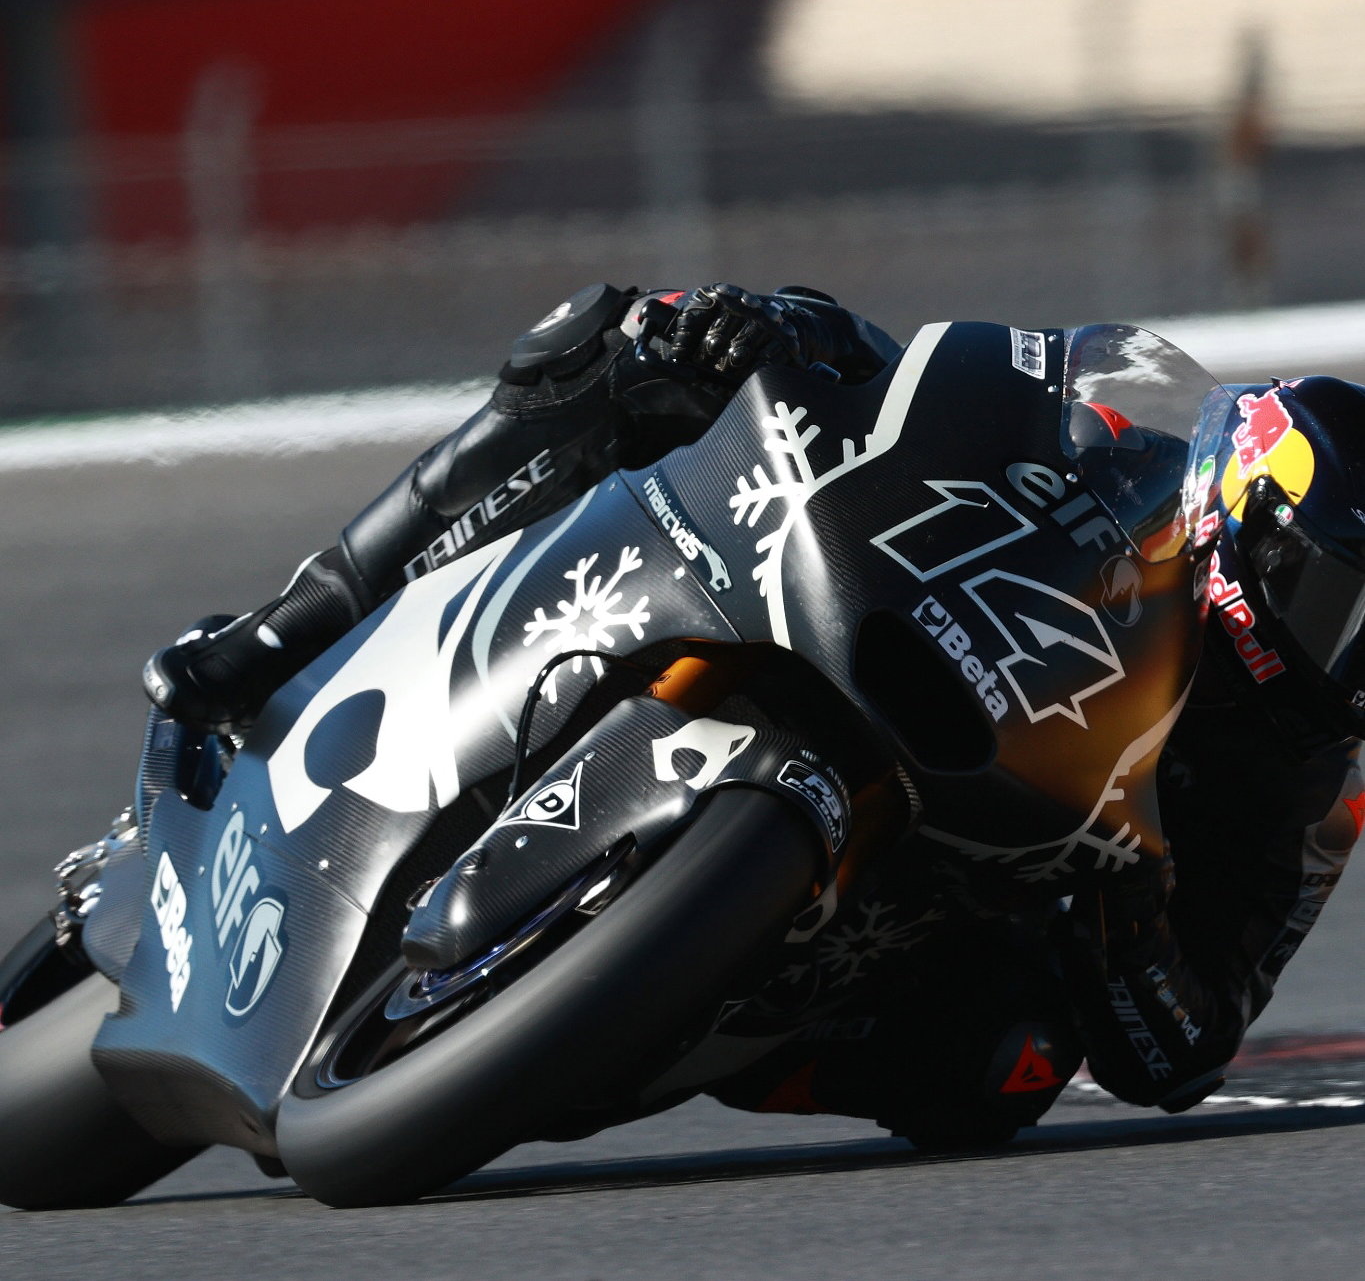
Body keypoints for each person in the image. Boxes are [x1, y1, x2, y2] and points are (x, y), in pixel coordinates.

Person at [142, 281, 1365, 1142]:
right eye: (1341, 608)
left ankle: (658, 1017)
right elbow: (919, 385)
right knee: (625, 344)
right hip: (844, 600)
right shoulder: (1117, 439)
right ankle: (282, 631)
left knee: (1001, 1073)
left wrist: (1128, 914)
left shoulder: (1312, 789)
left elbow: (1189, 1051)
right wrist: (783, 326)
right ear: (1250, 510)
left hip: (928, 896)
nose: (1347, 662)